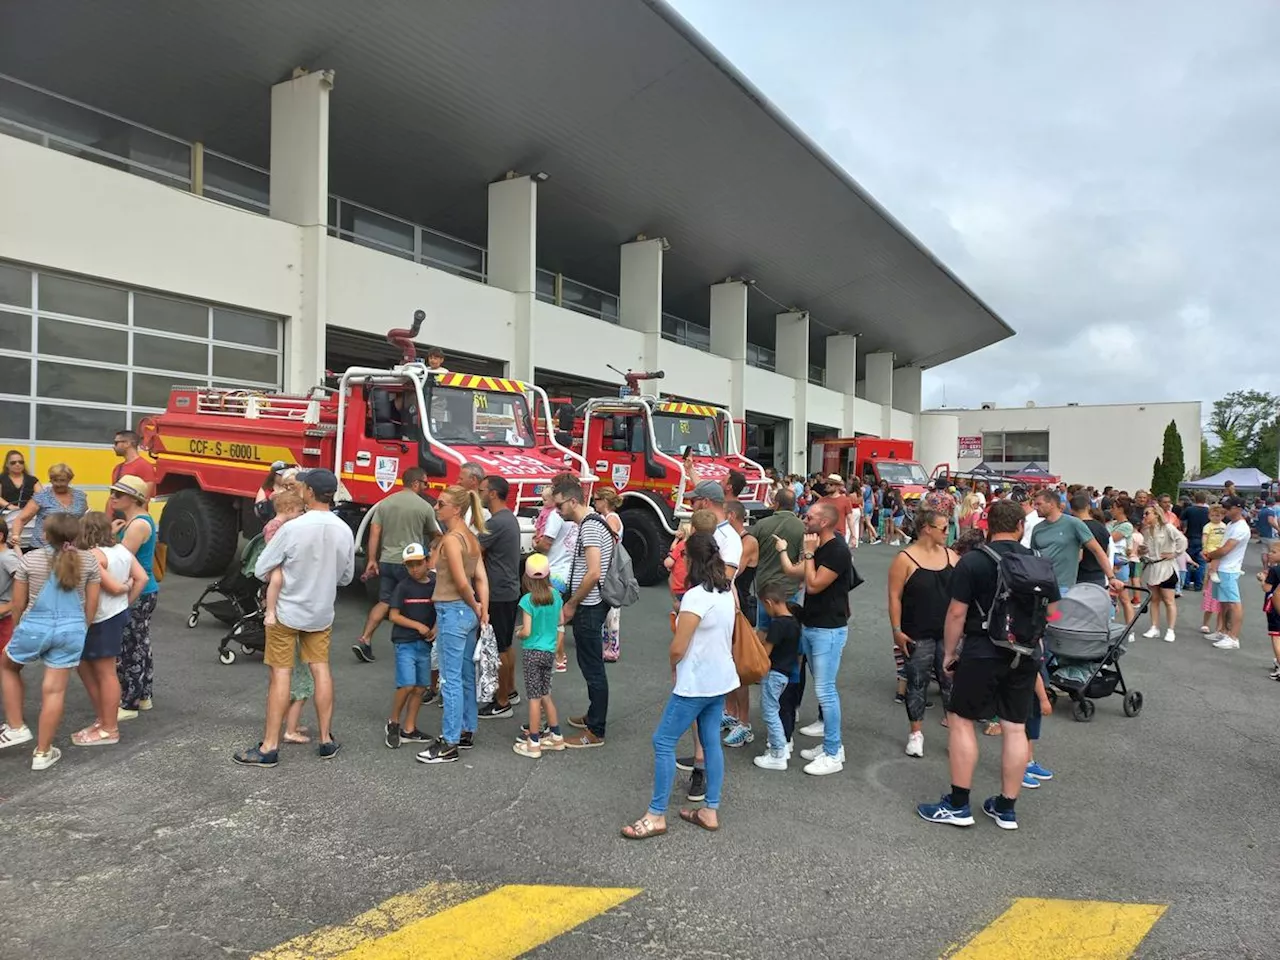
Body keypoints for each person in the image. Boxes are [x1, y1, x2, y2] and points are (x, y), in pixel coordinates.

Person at [916, 499, 1060, 831]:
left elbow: (956, 613)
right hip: (1025, 652)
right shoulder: (1039, 562)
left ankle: (958, 803)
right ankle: (1006, 807)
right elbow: (1054, 612)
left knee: (961, 719)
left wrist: (950, 653)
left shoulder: (973, 562)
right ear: (1021, 526)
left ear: (986, 525)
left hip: (983, 648)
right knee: (1014, 726)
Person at [234, 469, 355, 767]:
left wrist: (283, 575)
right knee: (321, 669)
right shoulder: (344, 529)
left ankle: (270, 746)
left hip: (287, 612)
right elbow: (346, 577)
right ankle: (326, 739)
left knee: (281, 675)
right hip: (321, 612)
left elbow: (262, 567)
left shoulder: (293, 528)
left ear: (309, 493)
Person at [621, 533, 736, 839]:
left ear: (690, 560)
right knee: (711, 740)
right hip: (720, 677)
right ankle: (710, 808)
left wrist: (674, 664)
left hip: (696, 681)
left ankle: (657, 814)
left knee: (663, 741)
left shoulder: (696, 597)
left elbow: (678, 646)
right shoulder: (726, 590)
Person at [0, 513, 101, 769]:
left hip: (35, 626)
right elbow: (92, 604)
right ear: (75, 535)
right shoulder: (88, 561)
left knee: (8, 666)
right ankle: (43, 754)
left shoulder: (30, 559)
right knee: (54, 690)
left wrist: (20, 629)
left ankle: (16, 726)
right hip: (72, 629)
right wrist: (82, 628)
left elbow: (19, 604)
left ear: (45, 535)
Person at [776, 499, 854, 776]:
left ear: (823, 522)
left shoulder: (836, 550)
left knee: (826, 691)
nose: (804, 520)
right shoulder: (819, 547)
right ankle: (831, 746)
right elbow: (795, 572)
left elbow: (814, 584)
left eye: (809, 517)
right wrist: (785, 552)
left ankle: (834, 752)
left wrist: (808, 554)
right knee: (824, 688)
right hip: (812, 625)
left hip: (828, 629)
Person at [417, 486, 489, 764]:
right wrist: (483, 609)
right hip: (467, 614)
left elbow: (461, 582)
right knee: (465, 675)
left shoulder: (450, 540)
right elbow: (480, 578)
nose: (436, 507)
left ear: (456, 509)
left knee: (450, 678)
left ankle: (449, 741)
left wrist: (475, 605)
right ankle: (466, 729)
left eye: (441, 503)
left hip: (452, 611)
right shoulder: (470, 538)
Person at [72, 512, 146, 747]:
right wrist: (127, 601)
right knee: (88, 667)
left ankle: (109, 728)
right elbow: (142, 578)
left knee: (104, 672)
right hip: (114, 615)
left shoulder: (93, 555)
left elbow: (113, 587)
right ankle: (103, 720)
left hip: (99, 618)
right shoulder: (122, 550)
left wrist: (122, 591)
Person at [887, 508, 957, 758]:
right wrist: (896, 630)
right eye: (943, 528)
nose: (948, 532)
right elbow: (894, 598)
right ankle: (916, 734)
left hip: (949, 633)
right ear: (927, 528)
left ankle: (956, 735)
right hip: (916, 631)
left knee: (951, 683)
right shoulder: (905, 559)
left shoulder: (952, 556)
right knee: (917, 682)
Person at [352, 467, 441, 663]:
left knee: (385, 602)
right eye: (425, 483)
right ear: (416, 483)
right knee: (419, 601)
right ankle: (416, 648)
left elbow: (375, 532)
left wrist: (373, 559)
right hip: (412, 563)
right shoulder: (424, 507)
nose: (427, 486)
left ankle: (365, 639)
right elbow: (435, 534)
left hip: (387, 560)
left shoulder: (385, 503)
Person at [552, 477, 614, 749]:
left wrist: (572, 603)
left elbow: (593, 572)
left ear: (573, 500)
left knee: (593, 668)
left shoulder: (589, 528)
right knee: (591, 665)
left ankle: (595, 730)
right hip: (592, 603)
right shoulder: (595, 523)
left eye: (559, 505)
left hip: (590, 604)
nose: (557, 510)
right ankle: (592, 716)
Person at [260, 491, 314, 745]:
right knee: (278, 581)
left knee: (279, 673)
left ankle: (282, 722)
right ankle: (287, 729)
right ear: (292, 508)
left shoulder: (281, 525)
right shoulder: (279, 527)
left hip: (278, 566)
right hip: (277, 568)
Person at [473, 476, 523, 716]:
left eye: (481, 490)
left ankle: (501, 701)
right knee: (506, 645)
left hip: (498, 592)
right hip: (509, 590)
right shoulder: (508, 518)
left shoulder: (496, 523)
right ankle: (510, 690)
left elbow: (473, 550)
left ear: (492, 493)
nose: (479, 494)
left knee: (498, 648)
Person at [512, 553, 565, 758]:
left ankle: (533, 741)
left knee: (534, 698)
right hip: (549, 652)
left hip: (532, 652)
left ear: (526, 578)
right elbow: (560, 621)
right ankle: (556, 736)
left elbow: (526, 630)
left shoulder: (528, 600)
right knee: (545, 695)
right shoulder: (556, 596)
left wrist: (519, 633)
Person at [384, 542, 436, 749]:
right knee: (406, 685)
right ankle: (394, 722)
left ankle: (409, 727)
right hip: (405, 641)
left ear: (427, 562)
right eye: (409, 565)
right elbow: (393, 615)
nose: (414, 569)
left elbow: (441, 606)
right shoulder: (403, 586)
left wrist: (435, 628)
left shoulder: (434, 583)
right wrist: (419, 626)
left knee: (420, 687)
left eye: (418, 563)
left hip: (424, 643)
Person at [1029, 490, 1123, 596]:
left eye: (1039, 504)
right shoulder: (1037, 529)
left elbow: (1097, 550)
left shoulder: (1074, 523)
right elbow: (1034, 558)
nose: (1035, 507)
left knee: (1058, 613)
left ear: (1051, 504)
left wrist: (1111, 578)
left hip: (1064, 587)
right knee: (1045, 613)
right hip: (1042, 586)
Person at [751, 580, 802, 771]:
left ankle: (778, 752)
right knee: (775, 710)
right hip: (786, 673)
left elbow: (766, 652)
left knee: (770, 711)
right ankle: (780, 746)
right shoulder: (794, 623)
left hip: (774, 673)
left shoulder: (777, 625)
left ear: (769, 603)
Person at [722, 499, 758, 746]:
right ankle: (731, 713)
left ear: (732, 515)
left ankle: (745, 723)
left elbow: (732, 573)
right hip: (728, 605)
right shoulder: (728, 540)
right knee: (726, 663)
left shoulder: (747, 542)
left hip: (740, 607)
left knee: (740, 668)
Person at [534, 475, 577, 672]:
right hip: (571, 572)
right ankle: (557, 655)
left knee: (550, 617)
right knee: (556, 614)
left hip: (554, 571)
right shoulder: (582, 514)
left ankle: (557, 656)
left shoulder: (555, 515)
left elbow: (546, 543)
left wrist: (535, 544)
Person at [1202, 496, 1251, 651]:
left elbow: (1225, 549)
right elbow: (1222, 547)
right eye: (1225, 507)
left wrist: (1210, 555)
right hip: (1222, 567)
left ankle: (1233, 637)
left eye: (1229, 508)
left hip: (1229, 569)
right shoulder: (1231, 524)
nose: (1226, 510)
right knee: (1224, 602)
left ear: (1239, 508)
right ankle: (1223, 631)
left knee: (1233, 603)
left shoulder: (1241, 528)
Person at [7, 463, 89, 551]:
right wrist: (16, 536)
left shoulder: (80, 497)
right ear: (50, 480)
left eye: (62, 480)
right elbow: (21, 519)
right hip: (42, 547)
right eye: (55, 480)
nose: (58, 484)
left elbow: (84, 520)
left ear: (69, 479)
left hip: (72, 547)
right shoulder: (42, 496)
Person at [1138, 503, 1186, 642]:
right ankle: (1154, 627)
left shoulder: (1167, 528)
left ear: (1156, 514)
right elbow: (1146, 549)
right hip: (1152, 567)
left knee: (1168, 599)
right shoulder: (1146, 531)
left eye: (1147, 513)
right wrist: (1142, 552)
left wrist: (1174, 553)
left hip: (1166, 567)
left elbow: (1182, 540)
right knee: (1154, 599)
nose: (1145, 516)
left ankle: (1171, 630)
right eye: (1144, 514)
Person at [592, 487, 625, 663]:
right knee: (608, 610)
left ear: (604, 501)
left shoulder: (611, 519)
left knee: (612, 611)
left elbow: (610, 542)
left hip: (611, 570)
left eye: (596, 499)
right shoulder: (607, 518)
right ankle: (607, 645)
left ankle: (612, 648)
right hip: (610, 569)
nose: (594, 502)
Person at [0, 451, 40, 550]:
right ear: (7, 465)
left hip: (28, 518)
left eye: (20, 462)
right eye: (13, 462)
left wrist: (30, 506)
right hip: (5, 516)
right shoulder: (1, 478)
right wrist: (10, 506)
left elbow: (41, 496)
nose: (17, 464)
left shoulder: (32, 480)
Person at [110, 430, 156, 500]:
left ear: (127, 443)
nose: (113, 447)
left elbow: (145, 498)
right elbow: (112, 496)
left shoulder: (144, 466)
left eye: (116, 443)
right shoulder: (117, 468)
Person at [1258, 543, 1280, 680]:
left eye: (1273, 552)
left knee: (1276, 636)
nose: (1269, 554)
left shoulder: (1275, 570)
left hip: (1274, 605)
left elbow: (1267, 588)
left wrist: (1262, 580)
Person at [1182, 491, 1210, 592]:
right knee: (1201, 562)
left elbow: (1183, 521)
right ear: (1205, 499)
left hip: (1190, 537)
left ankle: (1186, 582)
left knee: (1188, 561)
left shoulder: (1189, 510)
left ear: (1194, 498)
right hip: (1203, 538)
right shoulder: (1208, 511)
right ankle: (1198, 584)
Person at [0, 519, 19, 651]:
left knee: (4, 663)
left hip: (4, 620)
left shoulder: (7, 558)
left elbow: (26, 582)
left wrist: (11, 605)